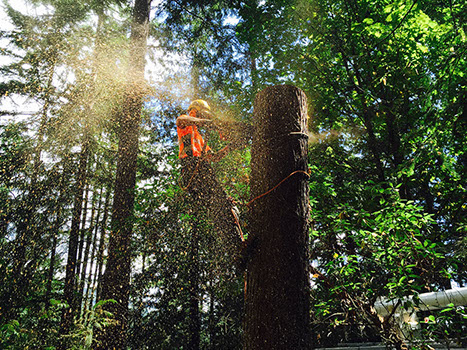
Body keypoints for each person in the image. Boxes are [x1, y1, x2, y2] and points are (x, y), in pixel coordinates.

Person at [177, 99, 245, 268]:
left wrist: (230, 147)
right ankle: (237, 249)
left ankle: (237, 250)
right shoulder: (184, 124)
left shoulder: (199, 137)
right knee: (223, 205)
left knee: (222, 209)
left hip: (202, 170)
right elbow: (184, 120)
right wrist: (210, 123)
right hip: (192, 169)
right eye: (202, 114)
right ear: (196, 111)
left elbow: (213, 157)